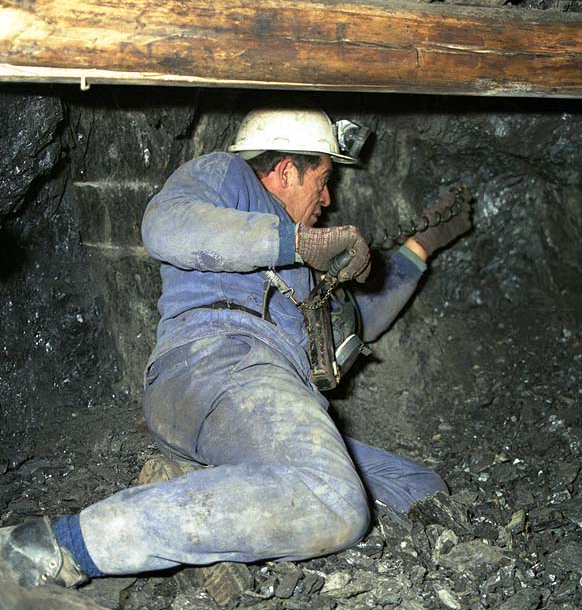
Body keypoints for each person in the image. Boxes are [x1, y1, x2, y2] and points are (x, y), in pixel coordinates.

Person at [0, 107, 472, 588]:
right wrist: (295, 242)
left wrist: (420, 249)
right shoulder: (228, 177)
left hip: (263, 398)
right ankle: (55, 546)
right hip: (217, 364)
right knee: (333, 498)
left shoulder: (300, 265)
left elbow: (358, 323)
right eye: (324, 180)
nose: (328, 199)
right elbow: (165, 226)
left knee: (419, 488)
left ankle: (197, 484)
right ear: (287, 169)